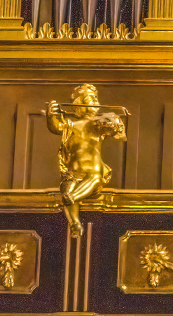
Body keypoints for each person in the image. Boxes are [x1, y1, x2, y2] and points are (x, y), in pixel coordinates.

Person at [47, 84, 127, 238]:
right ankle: (75, 223)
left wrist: (117, 126)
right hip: (73, 173)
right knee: (66, 188)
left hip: (93, 172)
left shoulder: (99, 123)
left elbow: (120, 136)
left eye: (96, 98)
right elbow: (56, 127)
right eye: (90, 98)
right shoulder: (71, 123)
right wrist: (51, 116)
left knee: (93, 180)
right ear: (79, 103)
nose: (95, 102)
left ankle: (73, 197)